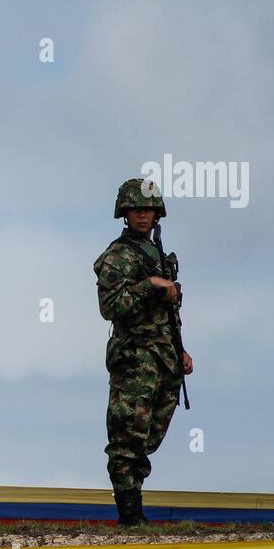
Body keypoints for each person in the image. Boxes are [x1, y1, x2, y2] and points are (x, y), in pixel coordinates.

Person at [93, 178, 194, 525]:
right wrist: (149, 285)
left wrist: (180, 350)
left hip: (163, 358)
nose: (142, 215)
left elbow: (169, 314)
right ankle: (131, 516)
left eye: (148, 210)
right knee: (127, 436)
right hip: (134, 356)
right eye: (136, 209)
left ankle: (134, 502)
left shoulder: (158, 255)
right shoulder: (118, 256)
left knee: (149, 435)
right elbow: (110, 306)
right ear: (125, 212)